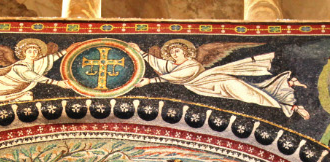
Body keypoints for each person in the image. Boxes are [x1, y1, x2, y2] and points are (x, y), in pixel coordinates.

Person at [129, 39, 310, 119]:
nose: (174, 53)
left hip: (217, 81)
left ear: (186, 52)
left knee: (247, 93)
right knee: (247, 94)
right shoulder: (170, 66)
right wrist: (140, 52)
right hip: (201, 88)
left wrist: (150, 81)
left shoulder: (192, 64)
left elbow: (179, 76)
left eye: (178, 50)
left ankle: (288, 106)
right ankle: (285, 93)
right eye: (172, 51)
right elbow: (157, 63)